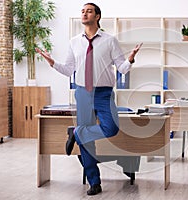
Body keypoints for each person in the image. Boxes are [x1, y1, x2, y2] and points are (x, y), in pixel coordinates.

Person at [36, 2, 142, 196]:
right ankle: (95, 182)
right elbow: (69, 69)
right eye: (82, 11)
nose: (84, 14)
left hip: (103, 93)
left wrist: (131, 58)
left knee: (111, 128)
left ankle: (76, 132)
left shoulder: (110, 41)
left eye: (89, 11)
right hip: (83, 93)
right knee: (87, 142)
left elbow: (122, 68)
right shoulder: (74, 41)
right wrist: (52, 62)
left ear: (98, 16)